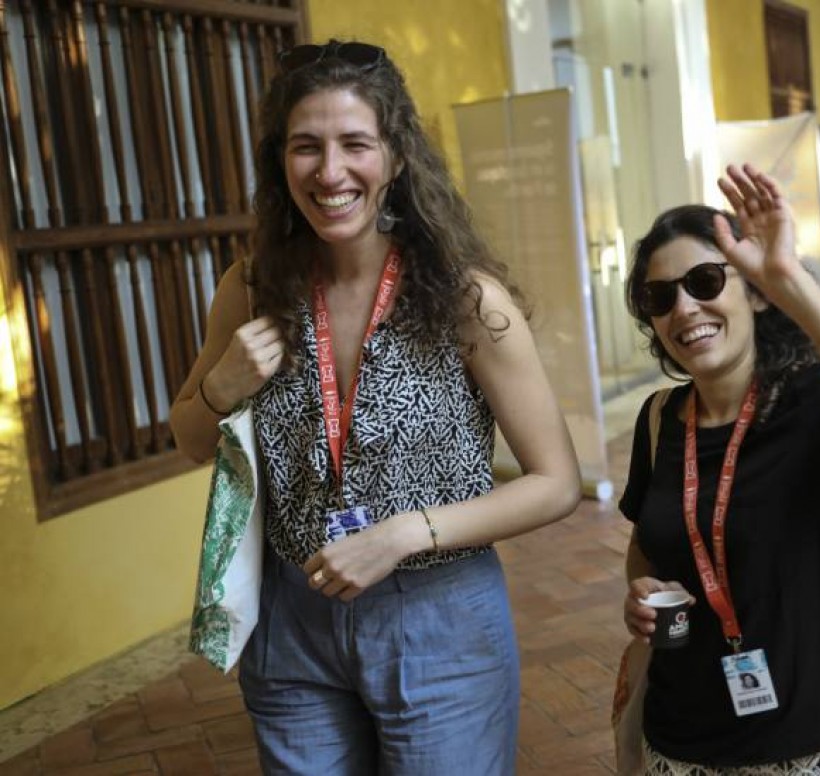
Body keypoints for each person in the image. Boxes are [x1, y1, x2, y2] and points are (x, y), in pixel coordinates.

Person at [168, 40, 581, 774]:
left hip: (438, 614)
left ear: (394, 158)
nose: (330, 172)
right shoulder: (252, 286)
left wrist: (404, 535)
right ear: (280, 163)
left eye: (354, 144)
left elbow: (554, 482)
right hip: (294, 618)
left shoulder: (464, 298)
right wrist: (221, 385)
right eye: (306, 147)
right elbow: (190, 439)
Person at [619, 164, 820, 773]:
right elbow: (648, 544)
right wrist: (641, 588)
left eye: (706, 281)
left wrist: (791, 279)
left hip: (807, 738)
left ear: (754, 293)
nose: (684, 309)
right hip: (680, 739)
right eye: (661, 298)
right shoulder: (659, 418)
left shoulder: (816, 403)